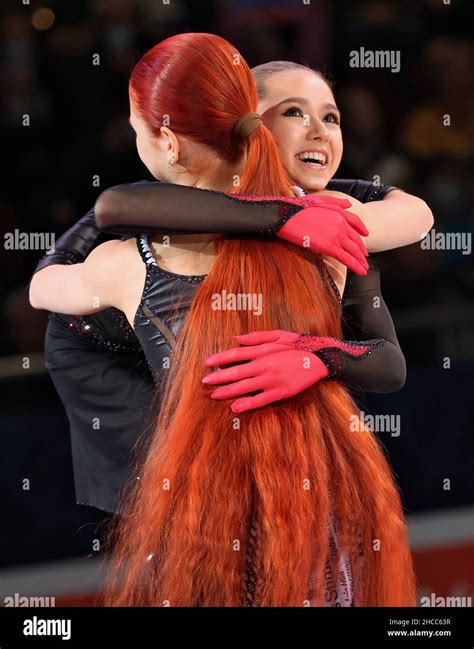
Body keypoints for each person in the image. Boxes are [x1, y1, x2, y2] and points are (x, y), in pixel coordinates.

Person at [29, 33, 416, 607]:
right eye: (295, 113)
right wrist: (320, 352)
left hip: (206, 499)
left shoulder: (120, 264)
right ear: (251, 128)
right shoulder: (338, 224)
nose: (319, 130)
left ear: (166, 142)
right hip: (313, 494)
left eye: (330, 116)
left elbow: (46, 283)